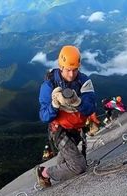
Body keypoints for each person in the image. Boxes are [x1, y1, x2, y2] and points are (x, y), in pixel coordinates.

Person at [36, 45, 96, 188]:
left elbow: (91, 107)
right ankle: (43, 173)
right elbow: (44, 116)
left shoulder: (84, 81)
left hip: (75, 129)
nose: (71, 74)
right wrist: (54, 105)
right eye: (68, 70)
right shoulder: (49, 85)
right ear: (61, 66)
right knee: (79, 166)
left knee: (64, 165)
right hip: (59, 130)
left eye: (75, 70)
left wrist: (78, 102)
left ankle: (54, 171)